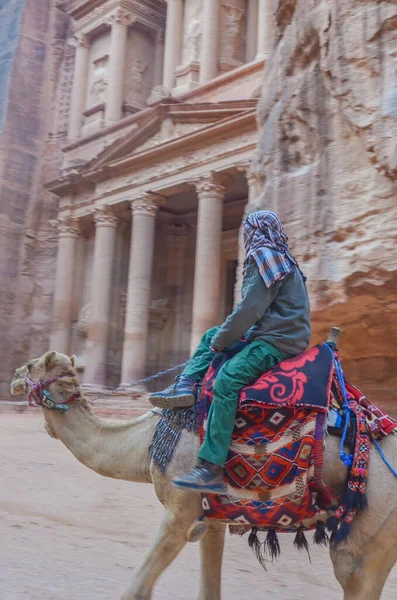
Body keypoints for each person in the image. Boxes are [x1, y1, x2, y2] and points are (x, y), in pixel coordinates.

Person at [149, 210, 311, 493]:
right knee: (211, 333)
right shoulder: (284, 260)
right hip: (281, 334)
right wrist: (220, 337)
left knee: (227, 381)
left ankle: (211, 468)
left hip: (275, 341)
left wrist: (222, 342)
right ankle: (185, 385)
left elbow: (250, 308)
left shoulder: (262, 256)